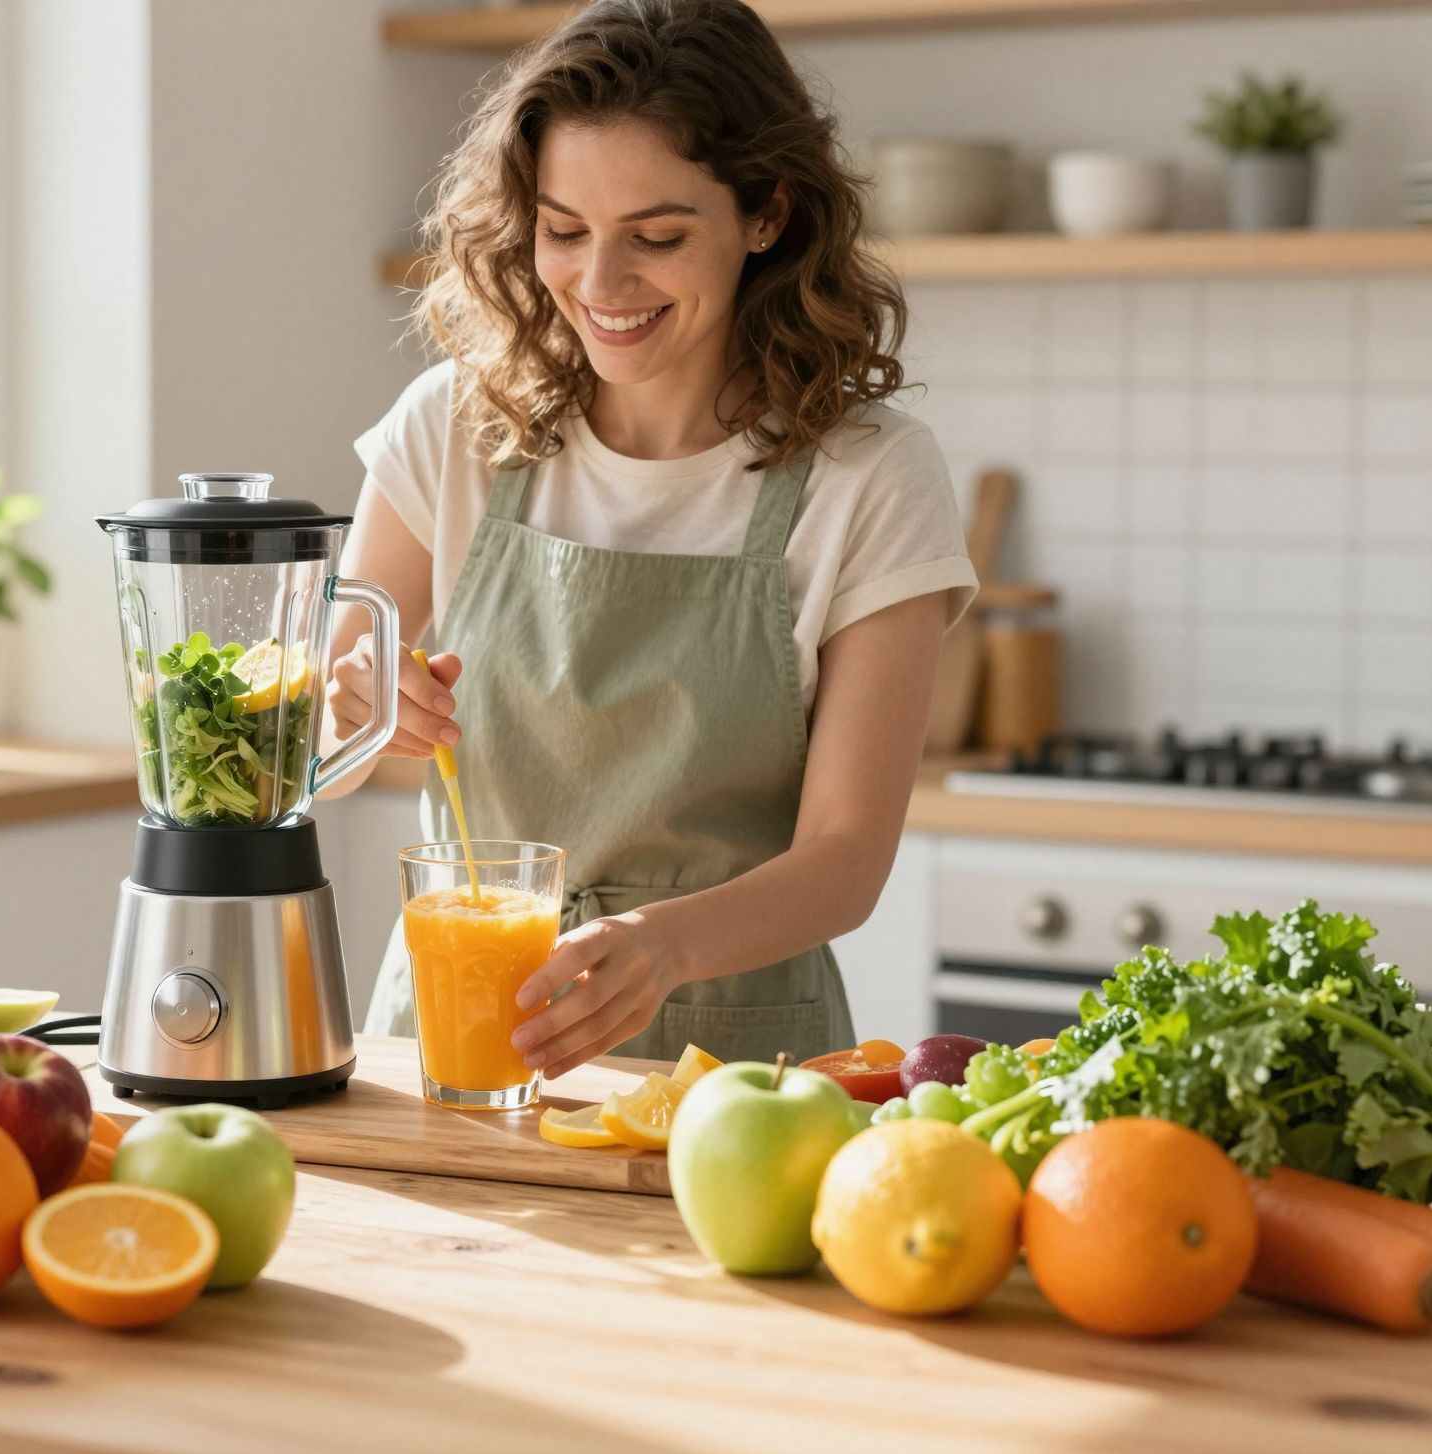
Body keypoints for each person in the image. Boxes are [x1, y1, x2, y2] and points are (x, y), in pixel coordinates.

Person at [324, 0, 976, 1078]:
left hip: (740, 1073)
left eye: (656, 237)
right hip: (454, 1039)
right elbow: (306, 751)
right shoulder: (452, 428)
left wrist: (659, 947)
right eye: (563, 231)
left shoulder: (869, 476)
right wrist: (344, 707)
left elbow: (845, 861)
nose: (599, 284)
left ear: (765, 213)